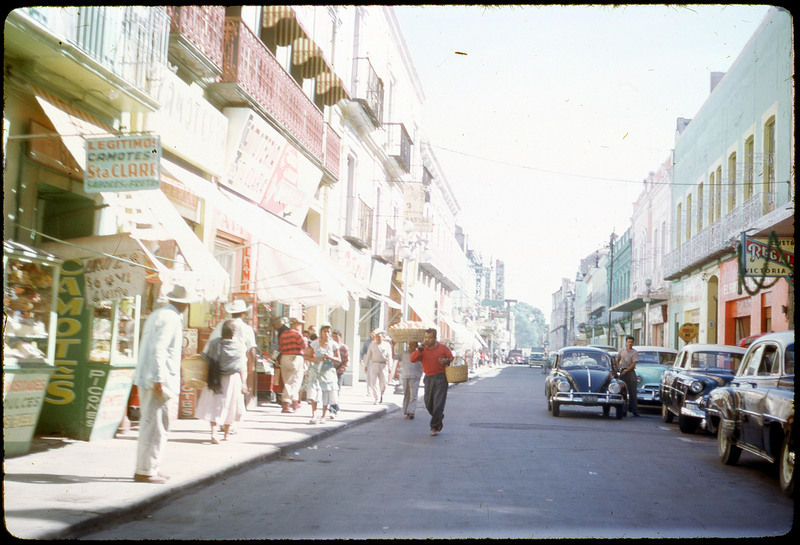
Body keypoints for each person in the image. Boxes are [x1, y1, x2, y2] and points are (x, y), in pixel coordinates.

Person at [132, 284, 198, 483]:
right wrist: (159, 378)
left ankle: (150, 466)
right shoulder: (170, 318)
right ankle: (146, 470)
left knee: (154, 424)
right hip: (156, 379)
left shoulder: (159, 314)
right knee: (156, 426)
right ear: (184, 304)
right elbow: (159, 349)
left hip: (149, 376)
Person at [204, 299, 257, 425]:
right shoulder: (246, 328)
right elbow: (252, 349)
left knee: (221, 394)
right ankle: (230, 423)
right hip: (238, 364)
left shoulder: (222, 325)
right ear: (243, 313)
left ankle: (221, 420)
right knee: (236, 394)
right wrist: (252, 365)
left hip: (221, 363)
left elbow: (211, 343)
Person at [195, 320, 248, 443]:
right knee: (230, 405)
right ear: (234, 333)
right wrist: (244, 383)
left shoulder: (214, 343)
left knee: (215, 405)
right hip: (232, 379)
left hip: (215, 377)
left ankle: (214, 433)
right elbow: (241, 366)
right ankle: (226, 435)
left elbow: (205, 357)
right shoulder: (239, 346)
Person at [410, 328, 454, 436]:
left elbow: (451, 358)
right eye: (425, 337)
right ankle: (438, 416)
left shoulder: (443, 348)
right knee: (428, 403)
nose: (427, 340)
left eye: (429, 337)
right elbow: (412, 359)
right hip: (428, 378)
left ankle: (434, 427)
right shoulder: (422, 349)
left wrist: (446, 361)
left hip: (441, 378)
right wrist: (419, 348)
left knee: (438, 403)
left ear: (435, 338)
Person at [306, 324, 341, 424]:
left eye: (328, 331)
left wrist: (330, 357)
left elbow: (339, 360)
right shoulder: (315, 344)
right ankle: (314, 415)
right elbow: (308, 357)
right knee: (314, 391)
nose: (327, 333)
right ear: (321, 332)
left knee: (326, 391)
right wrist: (317, 359)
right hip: (316, 370)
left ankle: (323, 416)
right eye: (324, 331)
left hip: (328, 370)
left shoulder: (334, 344)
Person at [278, 317, 308, 413]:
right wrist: (305, 339)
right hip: (296, 358)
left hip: (284, 357)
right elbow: (304, 345)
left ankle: (295, 402)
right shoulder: (297, 334)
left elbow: (280, 347)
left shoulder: (283, 334)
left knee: (287, 380)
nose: (301, 326)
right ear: (295, 324)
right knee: (296, 381)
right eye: (299, 324)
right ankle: (286, 404)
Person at [363, 329, 392, 404]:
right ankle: (377, 398)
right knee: (374, 382)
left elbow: (389, 356)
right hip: (374, 364)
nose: (378, 338)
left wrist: (390, 366)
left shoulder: (387, 345)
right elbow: (368, 355)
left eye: (379, 337)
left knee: (384, 383)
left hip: (383, 365)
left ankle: (381, 394)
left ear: (382, 337)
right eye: (376, 337)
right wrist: (365, 365)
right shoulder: (372, 345)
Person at [616, 335, 640, 417]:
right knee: (623, 392)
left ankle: (634, 410)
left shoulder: (634, 352)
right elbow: (618, 359)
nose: (630, 343)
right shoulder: (622, 351)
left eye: (631, 342)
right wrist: (618, 368)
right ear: (626, 342)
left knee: (632, 392)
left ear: (633, 343)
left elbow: (634, 363)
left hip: (630, 373)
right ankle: (623, 409)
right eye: (628, 342)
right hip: (622, 372)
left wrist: (626, 370)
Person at [400, 341, 423, 419]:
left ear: (416, 346)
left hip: (415, 376)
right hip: (405, 375)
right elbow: (394, 356)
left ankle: (411, 412)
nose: (411, 346)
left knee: (413, 395)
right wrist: (393, 346)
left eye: (413, 345)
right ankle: (406, 411)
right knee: (406, 394)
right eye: (410, 344)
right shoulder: (404, 353)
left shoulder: (420, 354)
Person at [329, 329, 349, 415]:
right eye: (333, 337)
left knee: (337, 389)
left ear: (340, 337)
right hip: (330, 370)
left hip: (339, 371)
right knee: (330, 390)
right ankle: (334, 407)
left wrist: (339, 370)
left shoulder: (344, 348)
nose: (334, 339)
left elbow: (347, 362)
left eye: (336, 337)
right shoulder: (329, 346)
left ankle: (333, 408)